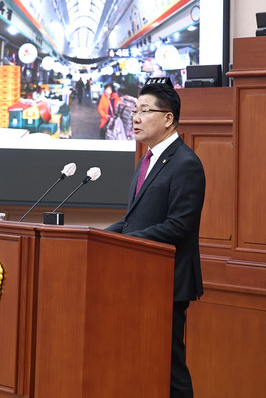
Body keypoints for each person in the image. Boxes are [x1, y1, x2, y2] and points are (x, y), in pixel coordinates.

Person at [105, 80, 205, 398]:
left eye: (144, 111)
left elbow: (178, 226)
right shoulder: (146, 160)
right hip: (139, 277)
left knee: (170, 369)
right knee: (143, 364)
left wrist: (126, 240)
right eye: (135, 110)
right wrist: (100, 236)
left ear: (168, 118)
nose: (135, 117)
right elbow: (134, 220)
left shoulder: (186, 163)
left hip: (167, 282)